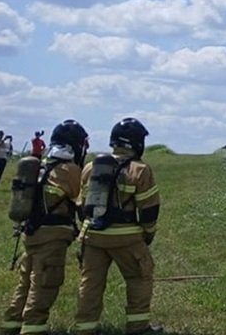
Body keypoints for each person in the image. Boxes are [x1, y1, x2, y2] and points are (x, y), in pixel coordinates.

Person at [74, 118, 161, 335]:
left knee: (91, 283)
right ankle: (138, 327)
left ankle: (85, 328)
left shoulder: (90, 167)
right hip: (127, 238)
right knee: (139, 278)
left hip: (93, 236)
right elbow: (149, 209)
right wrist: (148, 234)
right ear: (136, 143)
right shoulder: (140, 170)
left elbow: (81, 206)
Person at [2, 119, 88, 335]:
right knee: (45, 282)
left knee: (26, 280)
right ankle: (33, 327)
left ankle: (12, 322)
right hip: (52, 236)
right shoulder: (69, 170)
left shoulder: (42, 166)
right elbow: (81, 202)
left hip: (31, 233)